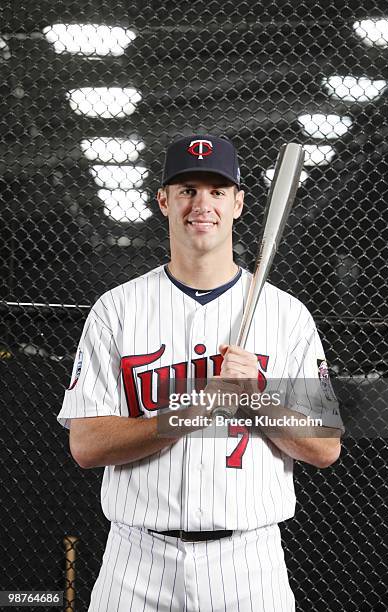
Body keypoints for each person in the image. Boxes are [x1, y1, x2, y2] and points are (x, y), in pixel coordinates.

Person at [57, 134, 344, 611]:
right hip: (136, 560)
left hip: (248, 564)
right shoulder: (118, 309)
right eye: (187, 189)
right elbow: (86, 446)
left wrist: (255, 397)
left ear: (238, 203)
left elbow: (324, 447)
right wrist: (187, 414)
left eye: (216, 191)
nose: (201, 204)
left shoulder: (286, 315)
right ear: (164, 200)